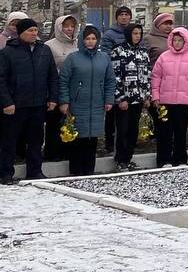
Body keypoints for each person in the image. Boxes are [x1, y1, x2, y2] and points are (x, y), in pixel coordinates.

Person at [0, 18, 58, 183]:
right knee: (9, 140)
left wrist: (52, 98)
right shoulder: (7, 52)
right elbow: (1, 79)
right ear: (21, 33)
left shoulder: (44, 50)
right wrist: (6, 102)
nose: (34, 33)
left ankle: (35, 171)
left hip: (38, 103)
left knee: (36, 140)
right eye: (30, 30)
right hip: (15, 105)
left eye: (35, 30)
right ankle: (5, 173)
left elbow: (52, 76)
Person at [58, 25, 116, 176]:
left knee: (92, 137)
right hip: (77, 104)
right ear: (82, 40)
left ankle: (89, 170)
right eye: (87, 39)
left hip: (97, 104)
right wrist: (64, 101)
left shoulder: (104, 58)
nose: (90, 41)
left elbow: (110, 80)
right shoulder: (73, 58)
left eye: (93, 38)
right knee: (78, 137)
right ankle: (76, 170)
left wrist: (109, 100)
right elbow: (63, 81)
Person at [150, 26, 188, 167]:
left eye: (180, 40)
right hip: (165, 102)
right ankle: (164, 160)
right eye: (175, 40)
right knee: (164, 132)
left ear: (185, 41)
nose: (177, 43)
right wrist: (155, 97)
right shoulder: (163, 57)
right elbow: (156, 77)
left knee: (180, 132)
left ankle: (180, 159)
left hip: (184, 102)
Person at [109, 22, 152, 171]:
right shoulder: (118, 51)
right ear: (128, 34)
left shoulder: (143, 52)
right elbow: (114, 76)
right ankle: (120, 160)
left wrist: (147, 96)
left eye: (139, 33)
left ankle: (128, 158)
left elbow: (147, 75)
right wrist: (120, 98)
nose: (137, 36)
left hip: (138, 99)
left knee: (133, 131)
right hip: (124, 99)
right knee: (123, 130)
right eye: (134, 33)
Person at [43, 14, 78, 162]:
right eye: (66, 26)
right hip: (56, 88)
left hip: (75, 88)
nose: (69, 29)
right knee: (55, 122)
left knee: (71, 121)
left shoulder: (78, 44)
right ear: (59, 27)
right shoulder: (50, 45)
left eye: (72, 26)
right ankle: (52, 152)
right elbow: (48, 69)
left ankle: (69, 151)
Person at [100, 6, 132, 154]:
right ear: (117, 17)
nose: (124, 17)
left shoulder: (133, 32)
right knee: (112, 112)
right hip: (114, 77)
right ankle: (109, 142)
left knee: (126, 114)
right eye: (121, 14)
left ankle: (125, 141)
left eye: (127, 14)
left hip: (131, 79)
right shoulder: (109, 35)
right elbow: (106, 55)